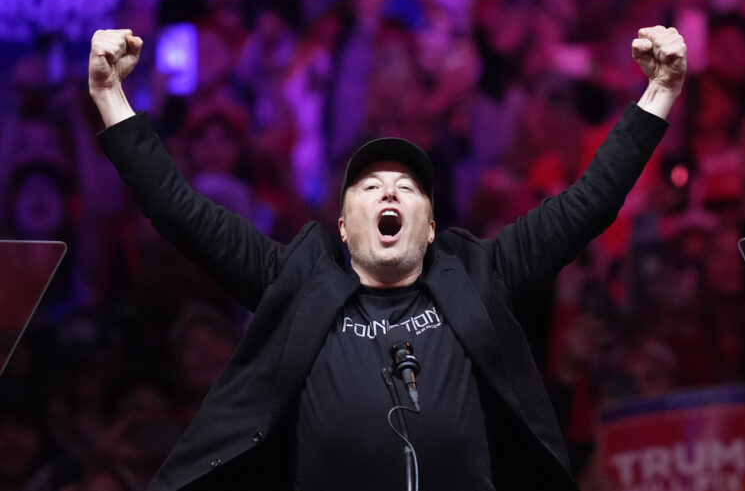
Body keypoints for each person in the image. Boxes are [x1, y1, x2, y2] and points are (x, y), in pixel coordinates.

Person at [88, 26, 686, 490]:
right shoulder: (295, 280)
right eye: (371, 187)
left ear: (430, 229)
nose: (391, 191)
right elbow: (180, 212)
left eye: (408, 186)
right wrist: (111, 96)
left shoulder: (480, 273)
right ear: (344, 228)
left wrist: (658, 93)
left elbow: (587, 204)